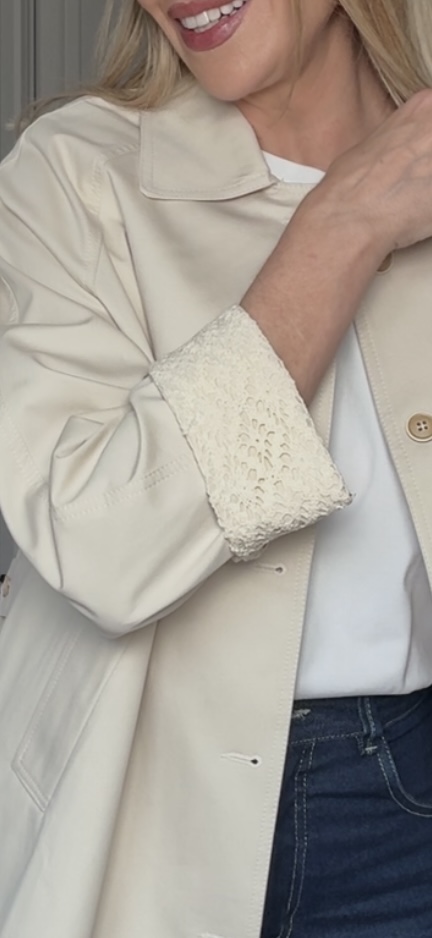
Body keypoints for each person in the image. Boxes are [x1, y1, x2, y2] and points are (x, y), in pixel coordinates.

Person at [0, 0, 432, 935]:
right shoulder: (72, 174)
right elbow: (100, 547)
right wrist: (343, 224)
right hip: (138, 805)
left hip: (408, 803)